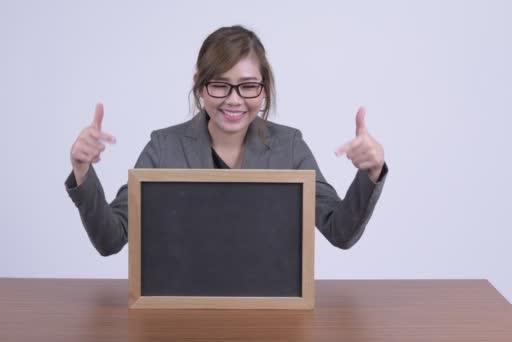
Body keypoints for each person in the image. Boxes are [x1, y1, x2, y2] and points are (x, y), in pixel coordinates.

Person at [65, 25, 388, 256]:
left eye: (248, 86)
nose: (234, 100)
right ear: (200, 87)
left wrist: (371, 172)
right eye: (220, 85)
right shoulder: (164, 147)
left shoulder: (289, 147)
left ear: (264, 90)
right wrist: (82, 171)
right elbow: (111, 239)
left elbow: (340, 231)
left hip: (271, 308)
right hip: (179, 308)